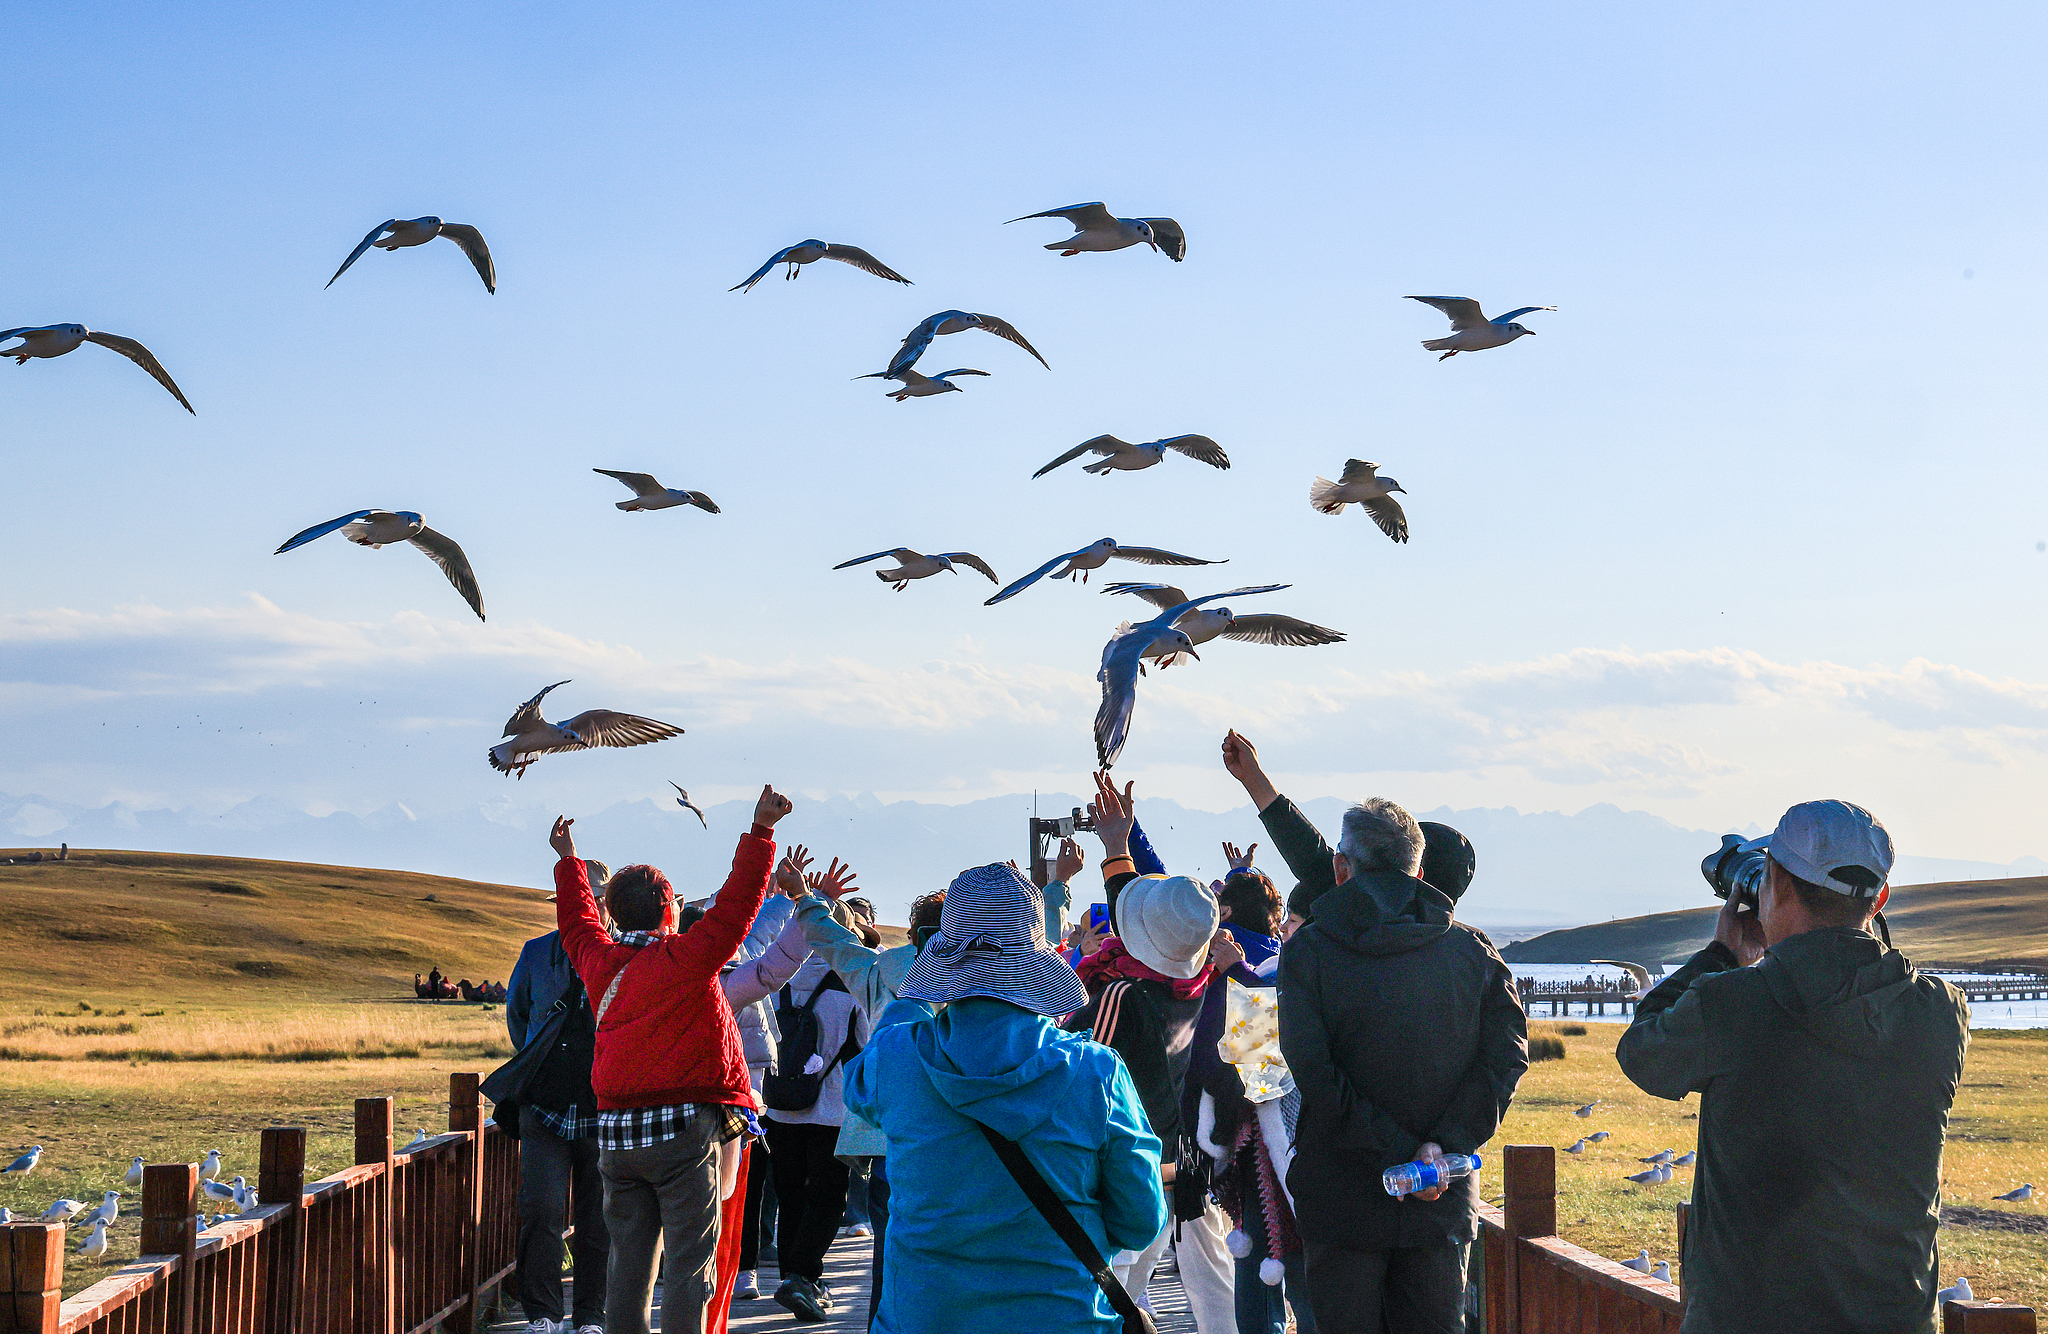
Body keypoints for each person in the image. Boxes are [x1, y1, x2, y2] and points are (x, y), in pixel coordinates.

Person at [1617, 800, 1969, 1334]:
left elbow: (1643, 1051)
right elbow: (1863, 989)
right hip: (1894, 1317)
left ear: (1774, 883)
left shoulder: (1734, 1005)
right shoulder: (1941, 1012)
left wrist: (1722, 954)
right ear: (1881, 898)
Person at [1245, 745, 1523, 1333]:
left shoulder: (1311, 953)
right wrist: (1439, 1149)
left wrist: (1400, 1149)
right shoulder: (1473, 953)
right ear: (1419, 873)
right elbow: (1505, 1059)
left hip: (1343, 1200)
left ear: (1343, 869)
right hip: (1440, 1199)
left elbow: (1315, 1073)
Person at [845, 862, 1168, 1334]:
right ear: (1038, 967)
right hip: (1064, 1318)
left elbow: (859, 1088)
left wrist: (908, 996)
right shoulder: (1096, 1072)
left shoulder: (898, 1059)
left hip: (924, 1318)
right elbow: (1140, 1221)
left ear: (945, 958)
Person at [549, 783, 790, 1334]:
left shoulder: (599, 962)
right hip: (683, 1130)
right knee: (688, 1266)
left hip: (616, 1134)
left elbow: (576, 925)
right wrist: (760, 832)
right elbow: (737, 907)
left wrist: (569, 864)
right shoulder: (687, 958)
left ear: (616, 914)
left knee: (628, 1267)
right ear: (667, 912)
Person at [1066, 772, 1240, 1334]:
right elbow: (1264, 1075)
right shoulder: (1219, 981)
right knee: (1218, 1287)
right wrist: (1118, 846)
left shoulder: (1122, 992)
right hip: (1202, 1156)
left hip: (1137, 1167)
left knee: (1115, 1293)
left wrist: (1117, 845)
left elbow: (1078, 1065)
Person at [784, 860, 945, 1326]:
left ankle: (882, 1322)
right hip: (957, 1133)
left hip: (886, 1132)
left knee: (888, 1243)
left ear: (912, 933)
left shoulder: (880, 972)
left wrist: (805, 899)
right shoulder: (978, 979)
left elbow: (833, 943)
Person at [505, 856, 615, 1334]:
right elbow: (518, 1017)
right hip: (545, 1104)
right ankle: (543, 1315)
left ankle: (591, 1316)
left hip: (603, 1103)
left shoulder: (620, 953)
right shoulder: (535, 953)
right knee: (542, 1211)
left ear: (606, 902)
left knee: (600, 1217)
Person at [759, 866, 869, 1323]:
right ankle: (803, 1276)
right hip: (832, 1107)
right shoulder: (849, 984)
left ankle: (794, 1274)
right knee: (828, 1196)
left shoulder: (779, 978)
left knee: (789, 1194)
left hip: (779, 1105)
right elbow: (863, 1044)